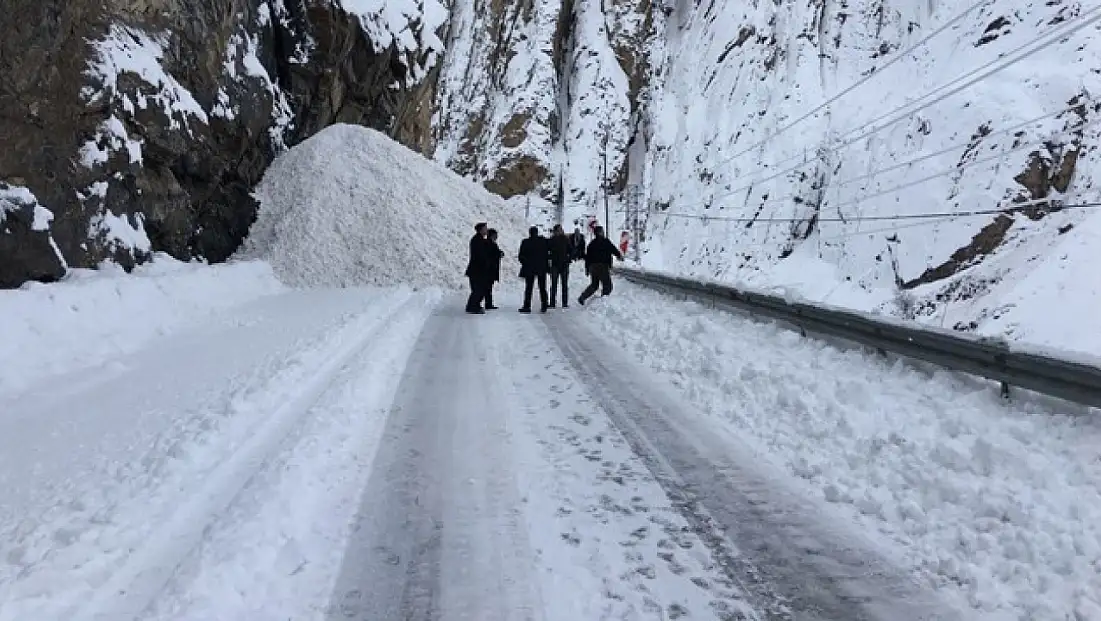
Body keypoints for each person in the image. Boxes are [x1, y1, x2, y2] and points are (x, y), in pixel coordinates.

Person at [578, 225, 623, 306]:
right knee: (607, 286)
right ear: (600, 232)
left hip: (593, 267)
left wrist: (587, 269)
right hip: (602, 266)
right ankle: (603, 303)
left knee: (594, 285)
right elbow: (613, 249)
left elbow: (587, 257)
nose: (603, 232)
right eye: (602, 231)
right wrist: (619, 256)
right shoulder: (605, 241)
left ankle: (582, 297)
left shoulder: (591, 244)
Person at [517, 225, 550, 313]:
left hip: (529, 268)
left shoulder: (525, 242)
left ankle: (526, 306)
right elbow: (549, 251)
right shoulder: (543, 242)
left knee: (529, 288)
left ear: (529, 233)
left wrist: (525, 263)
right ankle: (544, 305)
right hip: (541, 267)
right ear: (537, 232)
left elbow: (521, 256)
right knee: (542, 287)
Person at [464, 222, 491, 314]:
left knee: (479, 289)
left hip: (478, 269)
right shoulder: (477, 240)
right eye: (485, 228)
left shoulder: (479, 239)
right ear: (480, 230)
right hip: (477, 270)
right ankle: (472, 307)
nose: (487, 230)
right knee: (478, 289)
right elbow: (480, 256)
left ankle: (475, 305)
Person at [547, 224, 571, 308]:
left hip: (561, 264)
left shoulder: (564, 239)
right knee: (555, 284)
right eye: (559, 230)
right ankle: (554, 302)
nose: (560, 231)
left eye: (561, 230)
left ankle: (563, 302)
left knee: (562, 284)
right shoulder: (553, 240)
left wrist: (569, 259)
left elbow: (570, 250)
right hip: (557, 264)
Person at [485, 229, 504, 310]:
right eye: (495, 235)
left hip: (490, 269)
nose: (497, 237)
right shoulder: (490, 243)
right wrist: (499, 254)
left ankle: (489, 303)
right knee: (487, 287)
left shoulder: (490, 243)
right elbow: (492, 255)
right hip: (490, 269)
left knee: (488, 287)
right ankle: (488, 304)